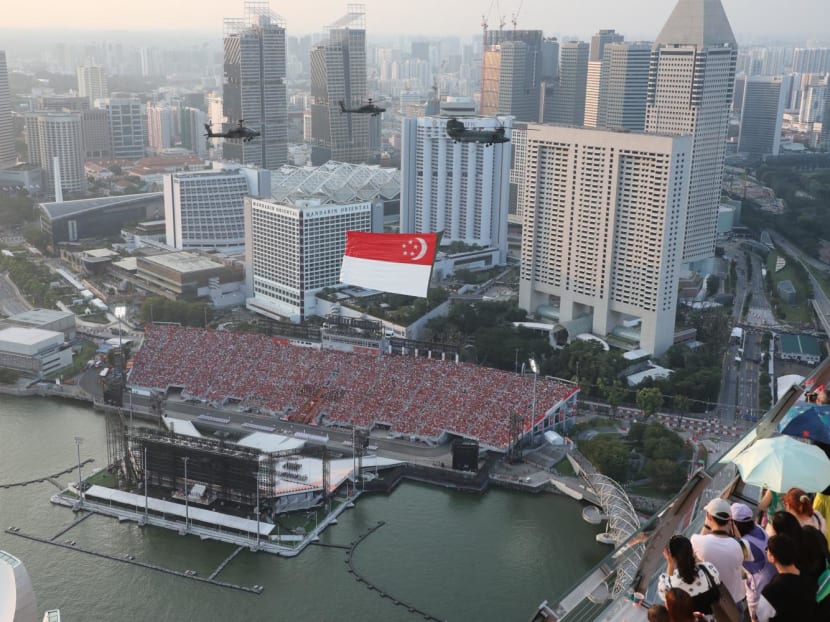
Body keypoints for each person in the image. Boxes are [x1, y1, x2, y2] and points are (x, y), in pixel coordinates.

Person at [691, 498, 746, 614]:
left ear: (708, 516)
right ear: (729, 521)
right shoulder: (739, 546)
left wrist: (707, 526)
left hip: (712, 606)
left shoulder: (697, 541)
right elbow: (745, 554)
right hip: (734, 604)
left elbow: (693, 554)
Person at [731, 502, 777, 622]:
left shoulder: (745, 545)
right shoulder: (758, 529)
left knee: (757, 617)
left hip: (759, 587)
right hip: (773, 574)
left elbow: (732, 559)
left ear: (735, 524)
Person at [756, 534, 818, 621]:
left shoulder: (771, 592)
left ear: (773, 558)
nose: (766, 551)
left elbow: (761, 618)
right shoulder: (809, 577)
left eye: (767, 550)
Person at [657, 534, 721, 615]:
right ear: (691, 550)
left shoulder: (668, 584)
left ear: (671, 556)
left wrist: (670, 564)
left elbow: (667, 597)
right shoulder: (708, 569)